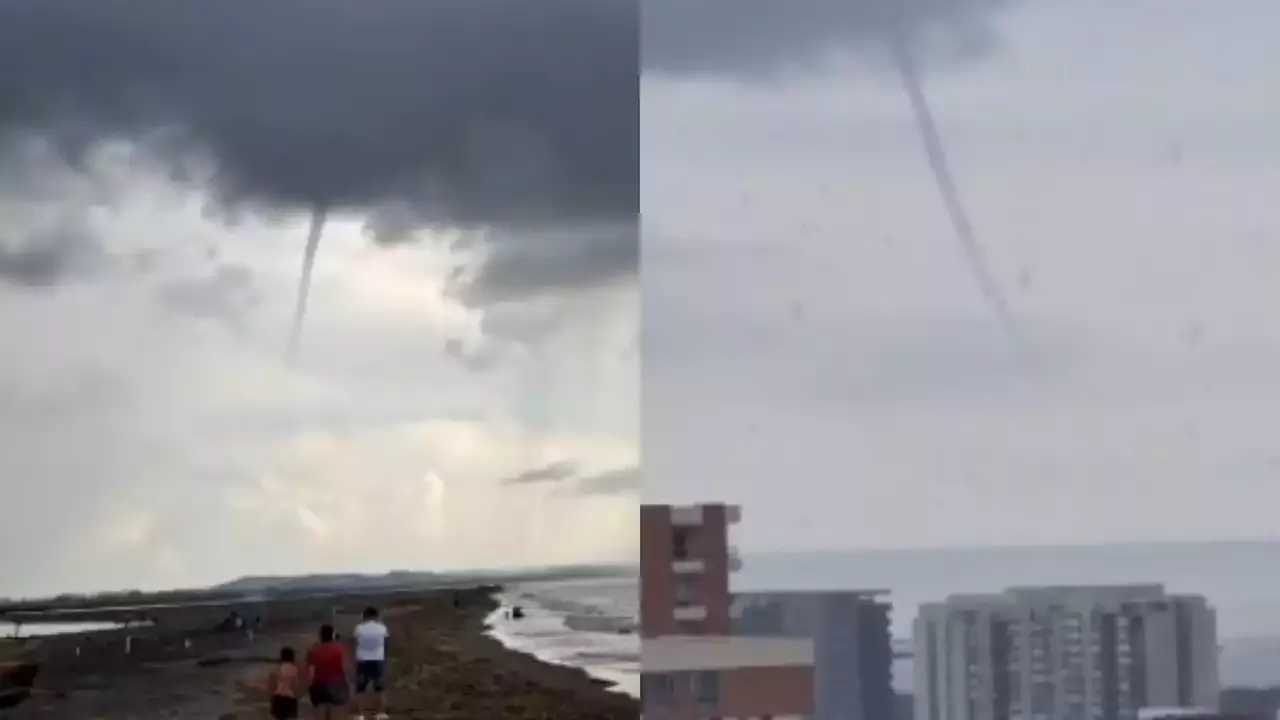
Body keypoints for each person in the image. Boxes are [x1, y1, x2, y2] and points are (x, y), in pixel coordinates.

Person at [351, 607, 390, 720]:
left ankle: (360, 714)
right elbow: (386, 644)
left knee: (360, 689)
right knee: (379, 689)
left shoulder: (359, 628)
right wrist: (385, 659)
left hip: (362, 660)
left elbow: (355, 644)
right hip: (378, 659)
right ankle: (380, 713)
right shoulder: (382, 628)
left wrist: (354, 660)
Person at [305, 624, 349, 719]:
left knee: (320, 713)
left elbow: (310, 671)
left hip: (319, 686)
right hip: (336, 686)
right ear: (333, 635)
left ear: (320, 636)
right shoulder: (340, 649)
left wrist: (311, 686)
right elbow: (343, 668)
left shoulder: (313, 650)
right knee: (335, 713)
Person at [265, 646, 301, 719]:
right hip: (289, 697)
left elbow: (273, 684)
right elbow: (295, 685)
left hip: (279, 696)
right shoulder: (294, 669)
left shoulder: (278, 668)